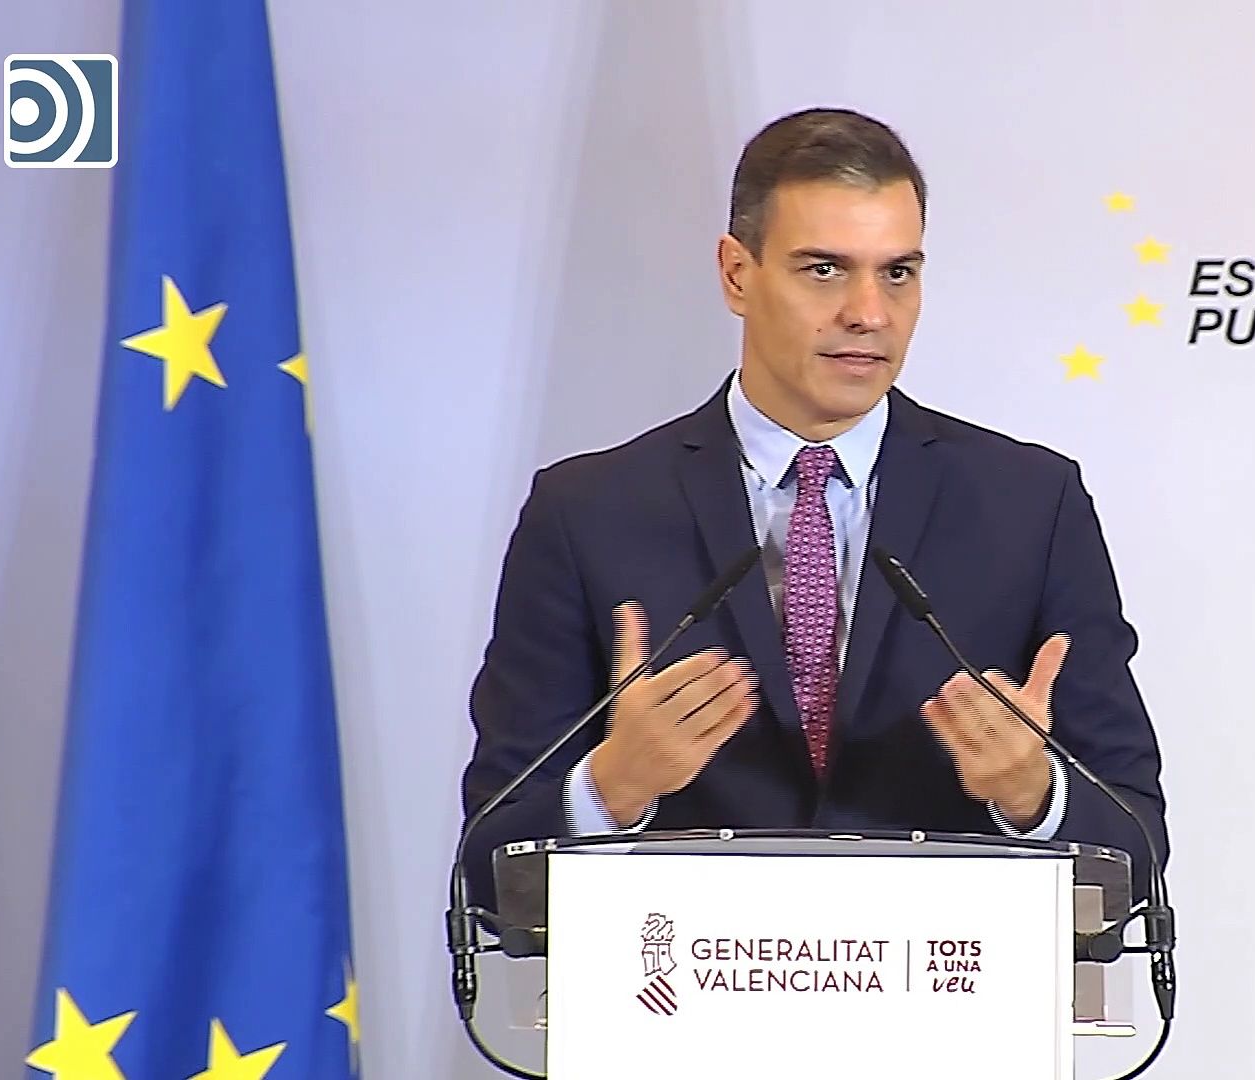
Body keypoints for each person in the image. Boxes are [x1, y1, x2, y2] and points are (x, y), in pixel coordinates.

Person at [461, 108, 1167, 905]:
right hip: (683, 978)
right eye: (825, 269)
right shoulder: (587, 512)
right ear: (737, 274)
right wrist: (610, 789)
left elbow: (1137, 849)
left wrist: (1034, 796)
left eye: (898, 273)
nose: (870, 312)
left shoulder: (1030, 506)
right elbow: (486, 868)